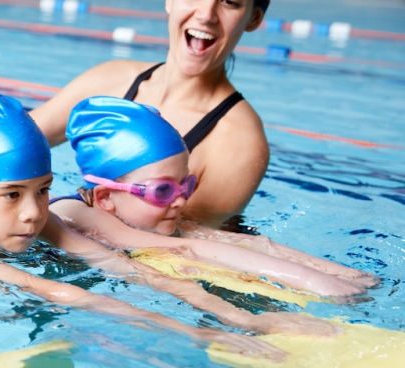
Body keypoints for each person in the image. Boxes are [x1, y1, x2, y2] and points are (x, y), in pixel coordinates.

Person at [0, 90, 326, 355]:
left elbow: (128, 268)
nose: (33, 211)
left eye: (43, 190)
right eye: (12, 195)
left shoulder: (30, 218)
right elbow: (49, 289)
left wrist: (241, 318)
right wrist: (200, 336)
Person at [0, 0, 272, 227]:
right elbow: (21, 137)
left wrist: (66, 217)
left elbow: (176, 241)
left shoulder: (237, 140)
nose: (205, 14)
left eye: (229, 2)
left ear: (253, 19)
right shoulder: (113, 77)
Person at [49, 96, 377, 293]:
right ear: (106, 197)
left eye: (186, 184)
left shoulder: (142, 215)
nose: (181, 200)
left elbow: (236, 242)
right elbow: (187, 247)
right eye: (163, 190)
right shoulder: (74, 214)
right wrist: (317, 284)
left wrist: (344, 274)